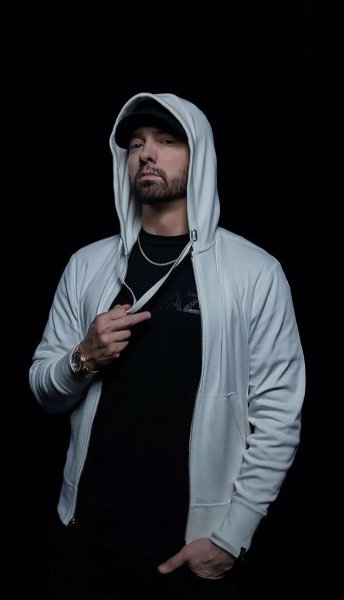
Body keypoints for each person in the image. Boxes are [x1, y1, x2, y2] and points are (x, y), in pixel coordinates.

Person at [29, 92, 305, 599]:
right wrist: (83, 358)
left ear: (200, 155)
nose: (146, 154)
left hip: (188, 550)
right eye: (135, 144)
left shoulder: (255, 273)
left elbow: (278, 413)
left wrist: (231, 539)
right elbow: (45, 390)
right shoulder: (87, 265)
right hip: (83, 540)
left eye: (166, 140)